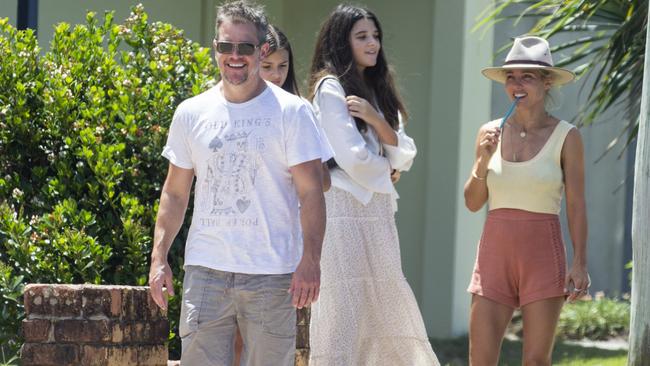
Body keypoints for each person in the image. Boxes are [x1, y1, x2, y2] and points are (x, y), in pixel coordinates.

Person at [147, 1, 326, 365]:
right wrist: (159, 258)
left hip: (272, 273)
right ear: (215, 48)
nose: (234, 56)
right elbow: (175, 192)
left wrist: (311, 259)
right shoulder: (191, 113)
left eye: (245, 47)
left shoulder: (292, 112)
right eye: (226, 46)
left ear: (261, 50)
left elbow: (311, 192)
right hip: (205, 271)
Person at [306, 4, 439, 365]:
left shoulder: (377, 89)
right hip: (344, 211)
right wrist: (387, 167)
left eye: (376, 36)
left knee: (384, 306)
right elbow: (353, 158)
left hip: (378, 212)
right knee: (343, 313)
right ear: (340, 41)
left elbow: (406, 153)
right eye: (362, 36)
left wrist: (376, 119)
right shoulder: (330, 88)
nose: (373, 44)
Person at [464, 36, 590, 366]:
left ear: (547, 83)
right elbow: (473, 202)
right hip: (494, 253)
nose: (516, 84)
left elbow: (576, 204)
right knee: (480, 360)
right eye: (510, 77)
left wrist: (580, 263)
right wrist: (481, 160)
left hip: (542, 254)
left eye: (527, 77)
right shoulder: (489, 132)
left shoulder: (567, 136)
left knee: (536, 361)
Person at [231, 24, 334, 366]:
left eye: (283, 66)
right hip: (231, 242)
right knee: (231, 344)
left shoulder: (299, 111)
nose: (276, 74)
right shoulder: (230, 106)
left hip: (278, 246)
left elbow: (323, 183)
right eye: (268, 65)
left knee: (268, 348)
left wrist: (301, 164)